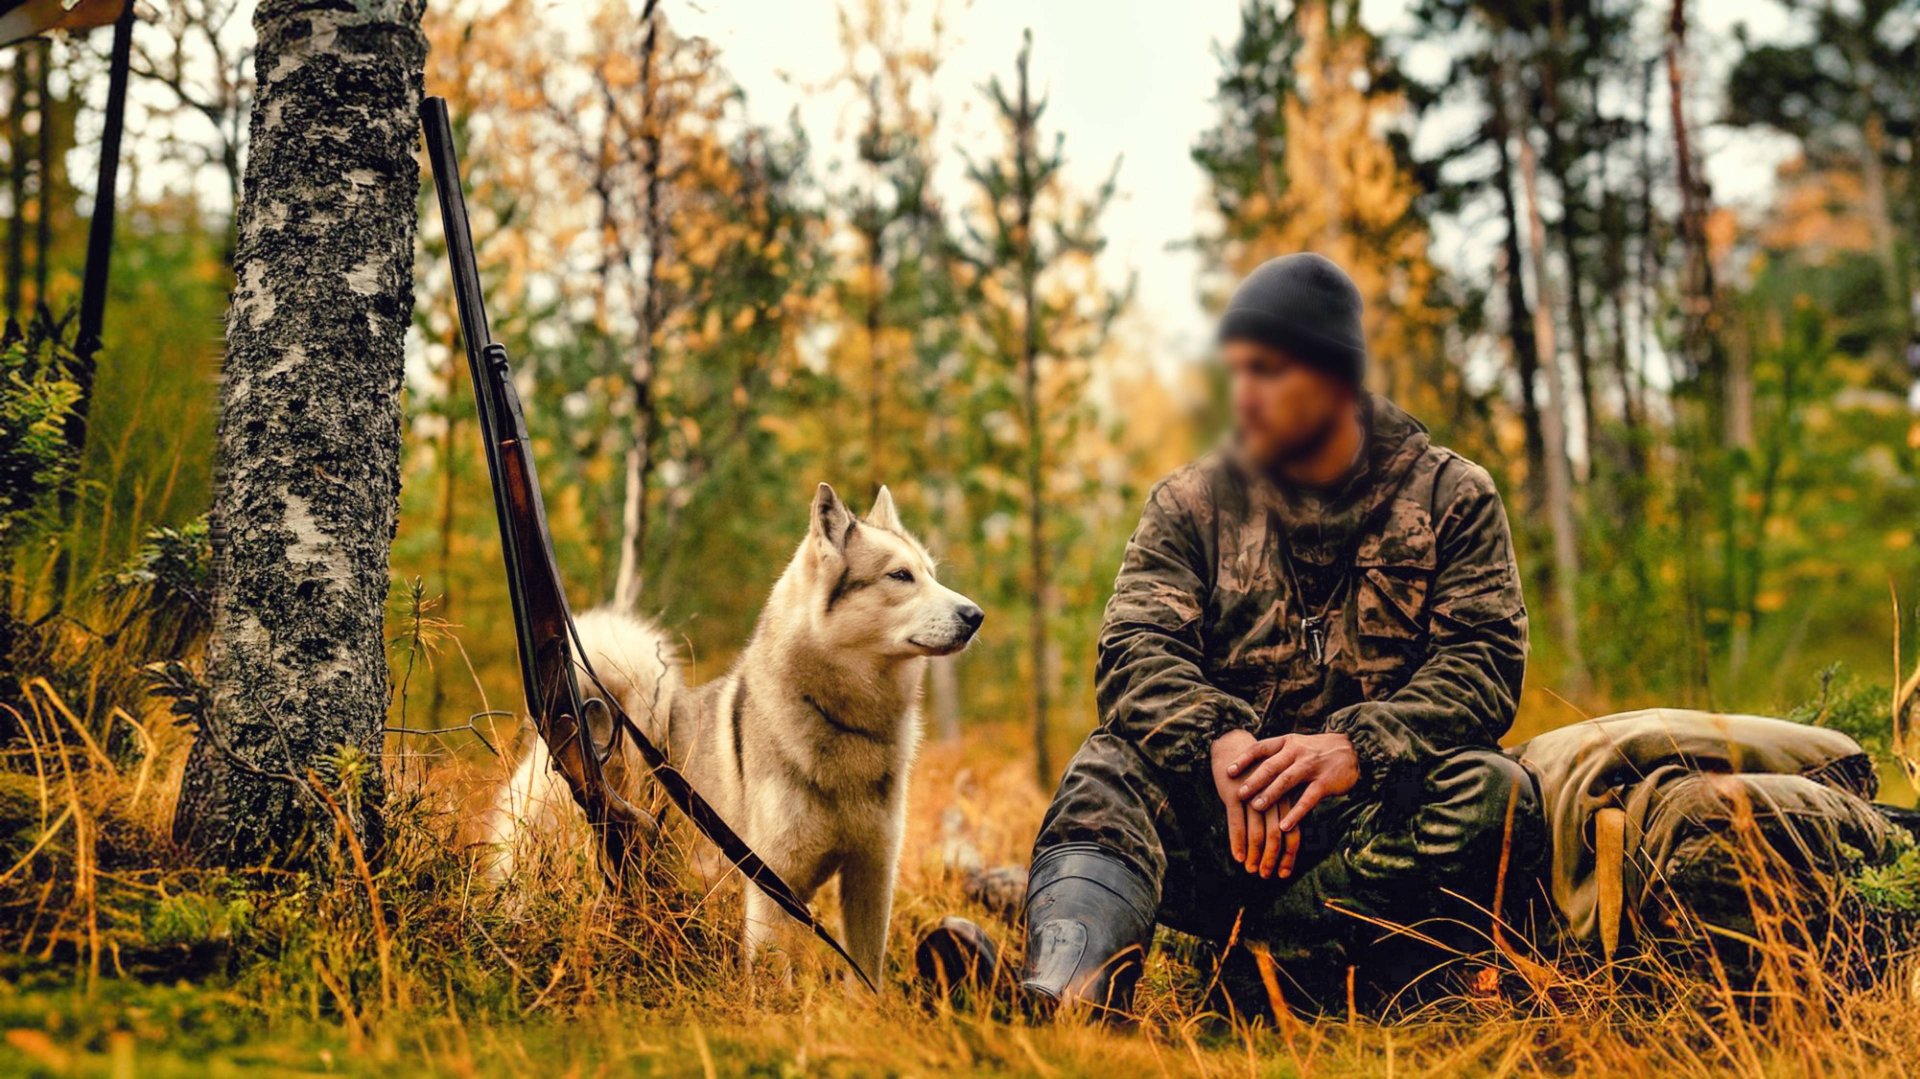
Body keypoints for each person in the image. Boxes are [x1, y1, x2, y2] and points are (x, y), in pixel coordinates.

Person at [965, 253, 1549, 1017]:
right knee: (1108, 763)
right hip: (1227, 827)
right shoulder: (1190, 502)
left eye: (1267, 371)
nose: (1244, 396)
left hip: (1366, 836)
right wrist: (1220, 740)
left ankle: (1260, 978)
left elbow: (1484, 665)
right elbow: (1135, 649)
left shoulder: (1451, 496)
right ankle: (1068, 995)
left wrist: (1357, 749)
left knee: (1495, 796)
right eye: (1236, 370)